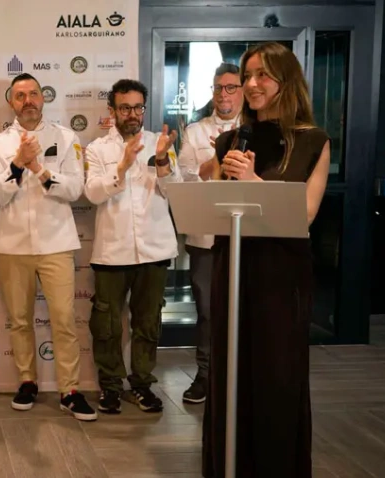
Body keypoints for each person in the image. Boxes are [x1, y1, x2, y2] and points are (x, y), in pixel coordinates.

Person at [202, 42, 330, 478]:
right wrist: (217, 177)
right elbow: (212, 203)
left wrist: (254, 181)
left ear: (286, 80)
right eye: (248, 75)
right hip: (232, 267)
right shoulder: (229, 139)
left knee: (276, 375)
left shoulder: (312, 141)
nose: (252, 85)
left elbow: (305, 215)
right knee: (229, 371)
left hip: (281, 276)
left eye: (262, 75)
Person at [0, 73, 96, 421]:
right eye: (20, 96)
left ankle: (70, 390)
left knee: (63, 319)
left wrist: (41, 170)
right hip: (13, 245)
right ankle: (27, 382)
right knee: (19, 321)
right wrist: (18, 163)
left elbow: (75, 188)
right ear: (11, 102)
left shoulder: (65, 137)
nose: (28, 100)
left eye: (33, 93)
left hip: (56, 243)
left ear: (43, 97)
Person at [84, 79, 180, 414]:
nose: (133, 114)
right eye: (125, 107)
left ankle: (141, 384)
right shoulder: (97, 149)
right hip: (112, 251)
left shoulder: (160, 143)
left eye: (138, 107)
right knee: (107, 325)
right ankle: (110, 387)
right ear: (111, 111)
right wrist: (122, 167)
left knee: (147, 322)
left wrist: (164, 162)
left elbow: (176, 194)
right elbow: (94, 193)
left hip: (155, 250)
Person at [177, 63, 243, 404]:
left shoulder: (257, 129)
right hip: (205, 238)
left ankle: (242, 378)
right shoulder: (195, 132)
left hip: (249, 238)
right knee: (207, 310)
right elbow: (186, 180)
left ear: (243, 91)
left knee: (248, 308)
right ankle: (205, 375)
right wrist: (216, 158)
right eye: (218, 87)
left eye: (231, 87)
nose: (223, 94)